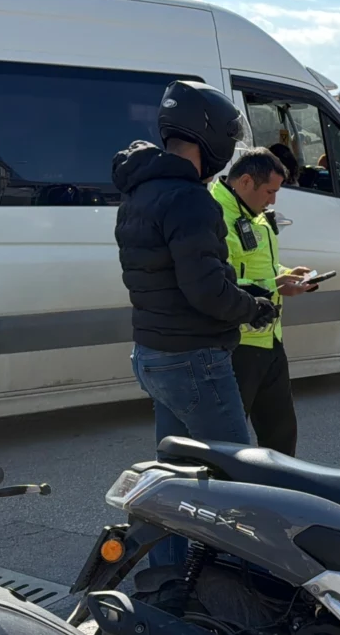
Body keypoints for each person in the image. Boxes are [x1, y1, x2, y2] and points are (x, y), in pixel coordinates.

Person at [113, 80, 277, 566]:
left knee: (174, 474)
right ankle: (244, 580)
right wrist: (254, 307)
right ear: (211, 138)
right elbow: (205, 290)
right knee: (236, 477)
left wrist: (241, 292)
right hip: (193, 359)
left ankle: (167, 577)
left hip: (153, 353)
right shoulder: (190, 199)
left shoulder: (140, 190)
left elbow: (178, 276)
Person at [210, 148, 315, 457]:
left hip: (270, 339)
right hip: (237, 344)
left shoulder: (254, 215)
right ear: (245, 182)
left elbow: (257, 269)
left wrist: (285, 276)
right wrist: (275, 285)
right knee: (231, 441)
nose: (273, 200)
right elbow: (216, 284)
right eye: (270, 191)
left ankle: (280, 498)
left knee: (282, 435)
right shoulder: (215, 216)